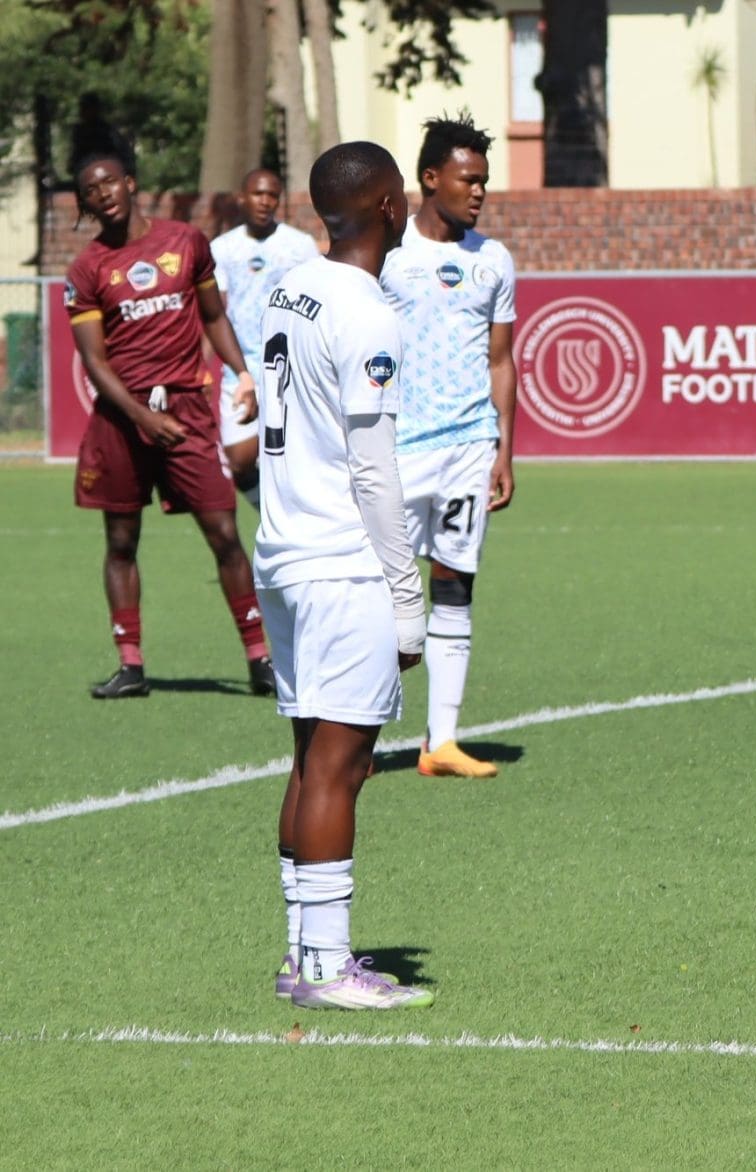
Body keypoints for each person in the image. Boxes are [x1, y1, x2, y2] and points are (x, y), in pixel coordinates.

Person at [260, 140, 432, 1010]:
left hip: (282, 551)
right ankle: (327, 967)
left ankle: (301, 953)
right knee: (340, 762)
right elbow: (374, 466)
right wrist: (408, 595)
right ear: (390, 207)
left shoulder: (286, 285)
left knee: (307, 755)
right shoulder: (367, 310)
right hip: (338, 560)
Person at [64, 150, 273, 699]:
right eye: (91, 188)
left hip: (186, 412)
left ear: (131, 184)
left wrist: (243, 373)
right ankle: (130, 665)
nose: (103, 192)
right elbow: (95, 362)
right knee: (121, 541)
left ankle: (259, 659)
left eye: (111, 181)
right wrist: (139, 417)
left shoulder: (185, 242)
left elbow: (212, 316)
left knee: (226, 534)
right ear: (84, 202)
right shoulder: (86, 270)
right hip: (122, 419)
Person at [380, 112, 518, 779]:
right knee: (383, 592)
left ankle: (442, 742)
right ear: (429, 179)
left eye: (484, 181)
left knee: (455, 583)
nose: (479, 192)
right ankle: (360, 738)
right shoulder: (386, 255)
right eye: (469, 180)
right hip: (398, 450)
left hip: (469, 446)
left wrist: (504, 450)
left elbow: (502, 361)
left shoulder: (493, 261)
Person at [211, 168, 321, 508]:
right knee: (240, 461)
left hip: (288, 369)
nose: (265, 201)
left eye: (272, 195)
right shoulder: (223, 248)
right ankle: (274, 514)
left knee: (291, 460)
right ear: (242, 198)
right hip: (239, 371)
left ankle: (296, 522)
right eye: (258, 194)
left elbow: (316, 303)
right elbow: (215, 312)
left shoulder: (300, 246)